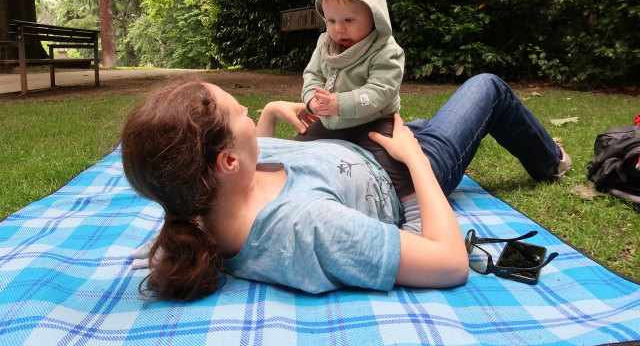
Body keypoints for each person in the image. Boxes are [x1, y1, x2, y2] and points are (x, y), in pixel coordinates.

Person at [122, 73, 572, 301]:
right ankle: (550, 162)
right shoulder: (308, 225)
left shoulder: (205, 201)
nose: (246, 107)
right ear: (227, 161)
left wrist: (272, 114)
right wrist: (414, 158)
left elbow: (245, 158)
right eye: (238, 111)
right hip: (399, 171)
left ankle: (427, 131)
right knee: (487, 88)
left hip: (358, 144)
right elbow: (451, 263)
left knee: (425, 118)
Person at [299, 0, 419, 231]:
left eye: (348, 21)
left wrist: (341, 103)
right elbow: (312, 75)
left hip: (372, 122)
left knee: (394, 163)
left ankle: (416, 211)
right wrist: (311, 100)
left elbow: (380, 90)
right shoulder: (324, 45)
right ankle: (299, 194)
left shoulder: (385, 50)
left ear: (374, 15)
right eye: (331, 21)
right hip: (332, 121)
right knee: (300, 145)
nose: (338, 29)